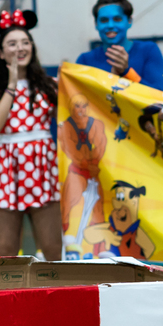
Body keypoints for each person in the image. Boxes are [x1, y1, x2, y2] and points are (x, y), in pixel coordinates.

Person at [0, 9, 61, 260]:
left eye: (25, 42)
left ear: (32, 48)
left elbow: (68, 124)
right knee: (6, 250)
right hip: (4, 166)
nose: (20, 48)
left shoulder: (51, 85)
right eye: (12, 44)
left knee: (53, 248)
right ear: (1, 53)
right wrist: (11, 85)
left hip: (43, 166)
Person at [75, 0, 163, 89]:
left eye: (117, 19)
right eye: (104, 20)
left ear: (129, 21)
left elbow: (160, 94)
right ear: (96, 24)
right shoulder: (85, 60)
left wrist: (126, 72)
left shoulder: (148, 51)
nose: (110, 25)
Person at [58, 93, 107, 257]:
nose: (81, 110)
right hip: (76, 172)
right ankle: (66, 248)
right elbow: (69, 149)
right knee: (66, 209)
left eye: (83, 106)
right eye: (77, 106)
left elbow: (101, 146)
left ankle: (100, 250)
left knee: (99, 211)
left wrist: (92, 164)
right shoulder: (65, 127)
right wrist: (85, 164)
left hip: (94, 174)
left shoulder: (97, 125)